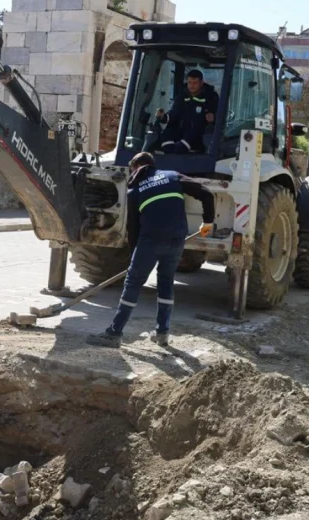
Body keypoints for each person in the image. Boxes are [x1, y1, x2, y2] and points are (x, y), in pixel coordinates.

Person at [88, 151, 215, 348]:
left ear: (136, 168)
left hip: (151, 240)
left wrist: (134, 255)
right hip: (176, 239)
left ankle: (114, 333)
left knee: (133, 283)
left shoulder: (135, 190)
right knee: (166, 282)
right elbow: (206, 193)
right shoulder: (173, 175)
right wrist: (208, 221)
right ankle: (162, 333)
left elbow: (133, 227)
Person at [155, 69, 219, 154]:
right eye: (189, 82)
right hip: (180, 131)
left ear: (201, 83)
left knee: (189, 138)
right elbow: (173, 115)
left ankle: (180, 152)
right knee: (165, 135)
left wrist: (213, 118)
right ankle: (172, 155)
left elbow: (219, 117)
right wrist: (163, 117)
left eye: (195, 83)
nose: (191, 85)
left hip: (198, 134)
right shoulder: (181, 96)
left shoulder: (211, 97)